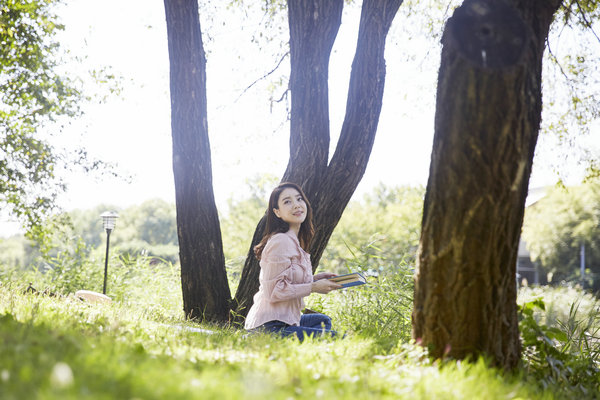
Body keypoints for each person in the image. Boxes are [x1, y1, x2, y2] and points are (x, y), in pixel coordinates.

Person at [244, 182, 342, 340]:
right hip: (269, 326)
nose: (296, 205)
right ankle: (259, 338)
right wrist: (313, 287)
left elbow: (289, 280)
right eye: (287, 202)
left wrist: (316, 279)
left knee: (322, 321)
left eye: (299, 199)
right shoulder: (280, 241)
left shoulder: (294, 241)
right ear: (277, 212)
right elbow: (273, 291)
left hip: (287, 320)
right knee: (337, 338)